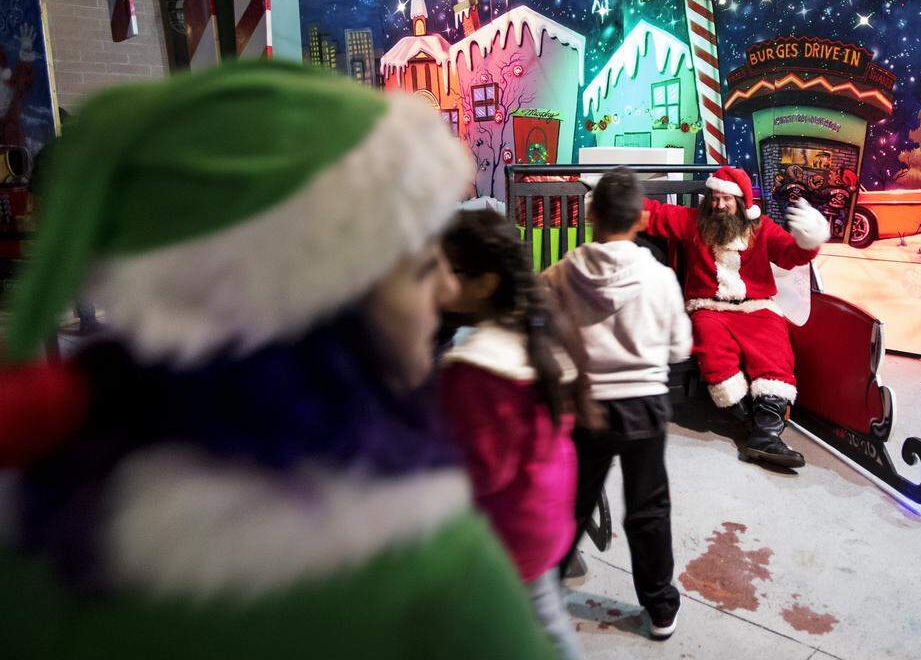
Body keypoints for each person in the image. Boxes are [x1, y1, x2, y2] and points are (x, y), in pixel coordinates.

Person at [0, 62, 555, 658]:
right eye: (423, 268)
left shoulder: (40, 530)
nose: (447, 290)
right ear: (327, 307)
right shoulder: (441, 573)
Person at [438, 210, 599, 660]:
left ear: (485, 282)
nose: (438, 282)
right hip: (545, 514)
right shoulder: (541, 327)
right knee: (544, 617)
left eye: (448, 271)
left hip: (507, 536)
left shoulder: (477, 370)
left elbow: (481, 472)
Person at [544, 168, 691, 641]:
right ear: (643, 219)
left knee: (571, 502)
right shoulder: (661, 277)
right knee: (648, 508)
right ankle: (661, 607)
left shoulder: (561, 273)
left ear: (591, 215)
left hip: (586, 406)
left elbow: (545, 340)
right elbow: (679, 348)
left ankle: (542, 595)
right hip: (645, 406)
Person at [641, 165, 830, 468]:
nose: (718, 205)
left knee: (774, 348)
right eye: (714, 198)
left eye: (725, 199)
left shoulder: (762, 227)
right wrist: (611, 194)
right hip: (709, 306)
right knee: (712, 347)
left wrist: (809, 240)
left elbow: (790, 255)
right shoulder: (694, 222)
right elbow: (654, 214)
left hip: (757, 307)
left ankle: (767, 432)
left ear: (742, 201)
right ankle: (748, 420)